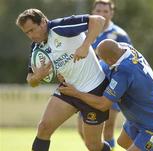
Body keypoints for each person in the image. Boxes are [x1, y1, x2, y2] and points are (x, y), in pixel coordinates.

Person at [16, 8, 112, 151]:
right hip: (68, 90)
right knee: (44, 128)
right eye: (26, 33)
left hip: (94, 89)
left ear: (42, 22)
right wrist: (38, 76)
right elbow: (31, 80)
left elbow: (98, 20)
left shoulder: (60, 27)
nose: (30, 36)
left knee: (93, 146)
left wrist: (85, 46)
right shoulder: (36, 47)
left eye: (32, 30)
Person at [59, 39, 153, 151]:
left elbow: (103, 104)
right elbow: (100, 67)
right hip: (138, 119)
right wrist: (69, 75)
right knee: (123, 142)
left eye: (103, 60)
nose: (101, 62)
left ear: (110, 60)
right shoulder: (124, 48)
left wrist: (76, 93)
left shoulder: (124, 72)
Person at [77, 1, 132, 150]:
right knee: (82, 131)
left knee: (108, 128)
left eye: (105, 11)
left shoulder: (120, 35)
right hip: (88, 86)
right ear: (93, 12)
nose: (101, 14)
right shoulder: (85, 32)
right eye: (98, 10)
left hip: (111, 86)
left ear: (111, 13)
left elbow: (129, 61)